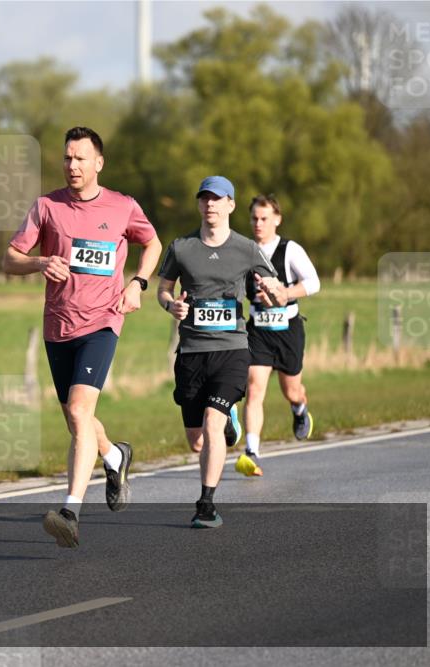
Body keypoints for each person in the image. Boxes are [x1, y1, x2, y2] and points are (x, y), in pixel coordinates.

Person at [3, 126, 163, 548]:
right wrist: (40, 263)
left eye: (80, 158)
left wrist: (138, 283)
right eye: (67, 158)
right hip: (58, 325)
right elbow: (10, 258)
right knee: (80, 423)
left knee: (78, 411)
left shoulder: (122, 206)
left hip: (103, 321)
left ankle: (71, 511)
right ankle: (114, 456)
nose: (72, 166)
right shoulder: (47, 206)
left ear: (98, 163)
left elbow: (152, 244)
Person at [156, 176, 286, 529]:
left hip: (232, 349)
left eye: (218, 199)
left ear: (230, 205)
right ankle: (227, 420)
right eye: (205, 199)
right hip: (192, 352)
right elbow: (163, 288)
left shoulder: (246, 248)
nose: (210, 204)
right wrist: (171, 306)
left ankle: (206, 504)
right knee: (197, 441)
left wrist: (271, 290)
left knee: (212, 422)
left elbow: (274, 289)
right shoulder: (181, 247)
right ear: (199, 204)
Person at [234, 195, 321, 477]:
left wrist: (285, 293)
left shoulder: (290, 249)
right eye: (254, 219)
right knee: (254, 387)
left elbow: (313, 282)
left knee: (291, 390)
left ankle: (299, 409)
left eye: (264, 218)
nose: (258, 224)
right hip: (258, 330)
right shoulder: (244, 250)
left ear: (277, 219)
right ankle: (251, 452)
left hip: (288, 331)